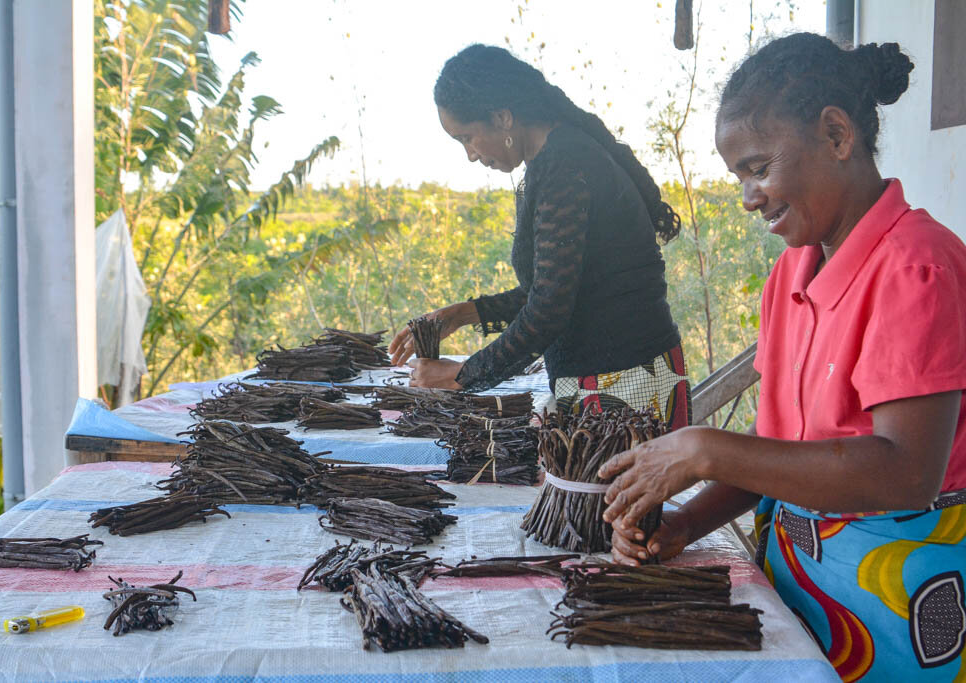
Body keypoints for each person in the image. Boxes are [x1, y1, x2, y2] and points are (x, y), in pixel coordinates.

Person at [599, 33, 966, 681]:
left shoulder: (917, 267)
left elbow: (906, 473)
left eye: (759, 167)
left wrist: (705, 448)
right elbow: (779, 447)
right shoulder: (790, 278)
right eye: (740, 176)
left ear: (836, 134)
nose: (748, 196)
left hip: (900, 593)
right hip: (800, 581)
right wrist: (687, 521)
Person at [389, 44, 690, 425]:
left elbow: (548, 310)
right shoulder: (555, 160)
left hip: (626, 384)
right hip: (617, 377)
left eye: (467, 137)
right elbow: (555, 288)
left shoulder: (564, 167)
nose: (470, 154)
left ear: (503, 118)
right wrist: (463, 315)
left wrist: (461, 375)